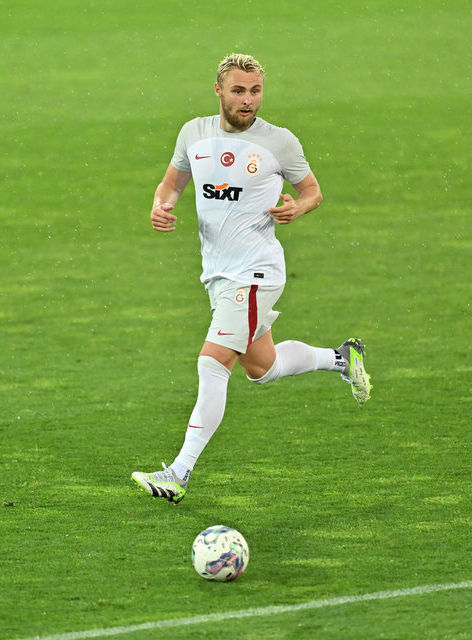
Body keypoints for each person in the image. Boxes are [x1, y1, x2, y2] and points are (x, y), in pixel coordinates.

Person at [132, 53, 371, 504]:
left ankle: (178, 473)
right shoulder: (193, 133)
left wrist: (297, 207)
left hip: (256, 273)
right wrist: (161, 206)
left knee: (213, 362)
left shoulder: (279, 142)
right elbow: (171, 184)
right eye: (239, 91)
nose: (248, 100)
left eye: (255, 91)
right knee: (262, 368)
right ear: (218, 91)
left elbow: (312, 191)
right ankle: (342, 358)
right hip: (217, 275)